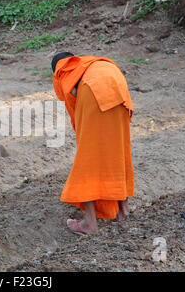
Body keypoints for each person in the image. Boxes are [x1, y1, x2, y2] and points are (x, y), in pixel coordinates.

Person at [51, 52, 134, 235]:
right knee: (117, 152)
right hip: (117, 85)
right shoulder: (86, 64)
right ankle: (123, 210)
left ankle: (89, 223)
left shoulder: (62, 70)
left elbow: (72, 94)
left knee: (88, 160)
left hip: (95, 90)